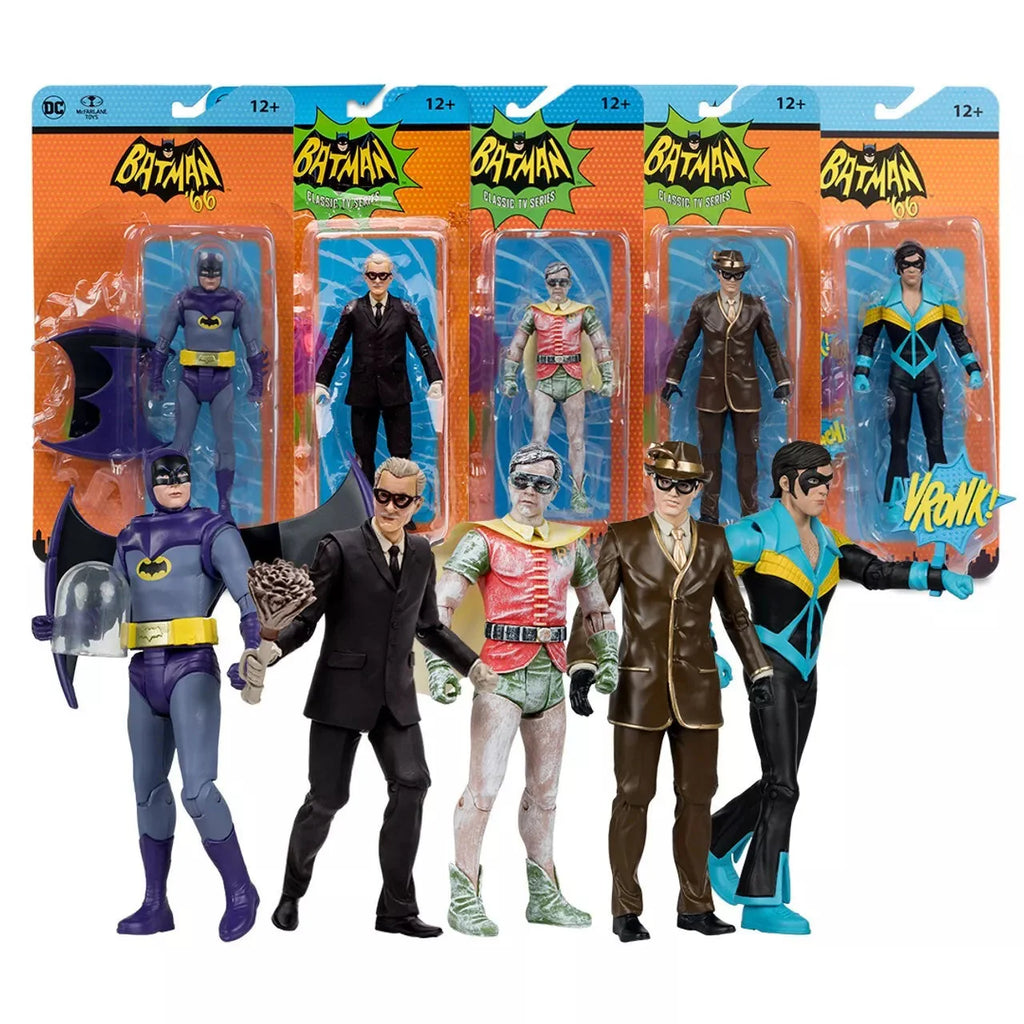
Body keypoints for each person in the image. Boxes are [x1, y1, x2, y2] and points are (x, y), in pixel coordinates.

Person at [709, 440, 974, 934]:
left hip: (807, 675)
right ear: (786, 483)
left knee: (779, 780)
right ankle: (762, 901)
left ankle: (716, 838)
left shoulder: (828, 542)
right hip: (768, 671)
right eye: (814, 481)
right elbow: (695, 577)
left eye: (829, 481)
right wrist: (706, 648)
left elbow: (875, 572)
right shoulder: (756, 534)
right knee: (784, 785)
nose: (824, 490)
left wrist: (936, 575)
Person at [31, 448, 264, 941]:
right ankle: (156, 904)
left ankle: (241, 889)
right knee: (148, 791)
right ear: (149, 483)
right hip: (142, 673)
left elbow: (250, 597)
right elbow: (109, 609)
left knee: (198, 790)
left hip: (191, 666)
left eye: (182, 473)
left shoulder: (212, 529)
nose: (174, 481)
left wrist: (253, 651)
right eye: (164, 475)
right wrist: (63, 624)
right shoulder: (131, 536)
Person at [265, 456, 495, 938]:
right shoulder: (340, 547)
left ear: (416, 504)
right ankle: (291, 892)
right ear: (374, 492)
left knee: (412, 783)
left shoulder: (420, 553)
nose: (389, 507)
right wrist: (273, 650)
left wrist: (471, 665)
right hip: (341, 693)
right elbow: (306, 619)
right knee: (326, 798)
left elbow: (429, 626)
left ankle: (396, 909)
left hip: (395, 694)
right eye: (383, 496)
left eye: (401, 500)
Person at [567, 440, 772, 942]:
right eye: (664, 482)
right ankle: (625, 908)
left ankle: (695, 905)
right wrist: (583, 664)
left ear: (698, 488)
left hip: (698, 688)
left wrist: (758, 671)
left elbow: (736, 615)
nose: (673, 493)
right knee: (632, 797)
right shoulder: (624, 537)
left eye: (684, 485)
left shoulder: (715, 541)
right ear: (651, 480)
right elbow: (595, 606)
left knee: (698, 797)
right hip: (638, 687)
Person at [431, 441, 617, 935]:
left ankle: (545, 894)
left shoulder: (570, 544)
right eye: (522, 480)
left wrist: (607, 657)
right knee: (483, 790)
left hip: (550, 676)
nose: (530, 491)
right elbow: (442, 605)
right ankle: (464, 894)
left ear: (555, 490)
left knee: (546, 793)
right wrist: (441, 665)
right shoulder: (485, 540)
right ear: (508, 481)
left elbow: (596, 607)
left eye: (542, 483)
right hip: (498, 675)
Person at [661, 249, 792, 524]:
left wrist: (782, 380)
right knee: (709, 456)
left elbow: (771, 346)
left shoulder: (755, 306)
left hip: (746, 392)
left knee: (748, 456)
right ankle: (709, 515)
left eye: (738, 275)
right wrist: (672, 379)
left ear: (744, 275)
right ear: (718, 274)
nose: (732, 280)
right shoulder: (703, 305)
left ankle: (750, 514)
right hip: (710, 392)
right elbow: (684, 345)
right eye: (727, 274)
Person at [853, 240, 984, 503]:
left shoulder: (942, 298)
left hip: (930, 375)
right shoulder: (881, 300)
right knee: (898, 441)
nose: (912, 269)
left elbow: (958, 336)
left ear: (924, 266)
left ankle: (943, 499)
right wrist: (861, 371)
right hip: (899, 375)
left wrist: (973, 368)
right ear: (898, 267)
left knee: (935, 441)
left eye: (917, 264)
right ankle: (896, 499)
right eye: (906, 264)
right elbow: (868, 338)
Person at [150, 248, 267, 516]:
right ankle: (176, 503)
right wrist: (156, 380)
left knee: (225, 443)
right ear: (197, 273)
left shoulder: (235, 303)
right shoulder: (183, 301)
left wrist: (257, 383)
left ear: (222, 274)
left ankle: (224, 504)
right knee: (181, 443)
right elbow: (162, 342)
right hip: (189, 379)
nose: (210, 279)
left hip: (221, 381)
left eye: (214, 274)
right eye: (205, 273)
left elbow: (252, 346)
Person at [315, 252, 444, 480]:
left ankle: (401, 499)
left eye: (383, 275)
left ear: (390, 278)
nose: (377, 281)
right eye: (372, 275)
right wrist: (321, 382)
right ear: (365, 277)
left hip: (397, 391)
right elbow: (335, 349)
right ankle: (365, 499)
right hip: (362, 392)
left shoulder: (403, 310)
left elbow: (423, 346)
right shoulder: (354, 310)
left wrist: (435, 379)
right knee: (363, 453)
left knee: (401, 453)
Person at [499, 260, 615, 513]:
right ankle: (533, 490)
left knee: (577, 440)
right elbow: (517, 345)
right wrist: (509, 377)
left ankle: (578, 493)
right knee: (538, 441)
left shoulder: (583, 312)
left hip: (573, 380)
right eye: (553, 282)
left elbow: (601, 345)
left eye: (563, 282)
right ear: (546, 284)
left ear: (570, 284)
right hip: (545, 380)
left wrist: (608, 379)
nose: (558, 287)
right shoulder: (535, 313)